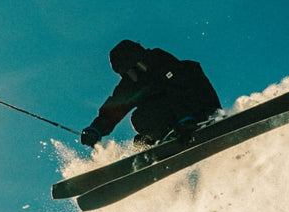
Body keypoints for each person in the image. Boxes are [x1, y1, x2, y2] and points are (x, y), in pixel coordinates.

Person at [80, 39, 221, 149]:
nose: (136, 72)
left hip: (198, 106)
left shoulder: (160, 60)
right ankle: (163, 138)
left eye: (137, 67)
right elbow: (114, 109)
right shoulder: (130, 84)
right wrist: (95, 130)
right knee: (139, 120)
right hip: (174, 119)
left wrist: (186, 119)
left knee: (187, 71)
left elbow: (180, 88)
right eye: (130, 72)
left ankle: (195, 121)